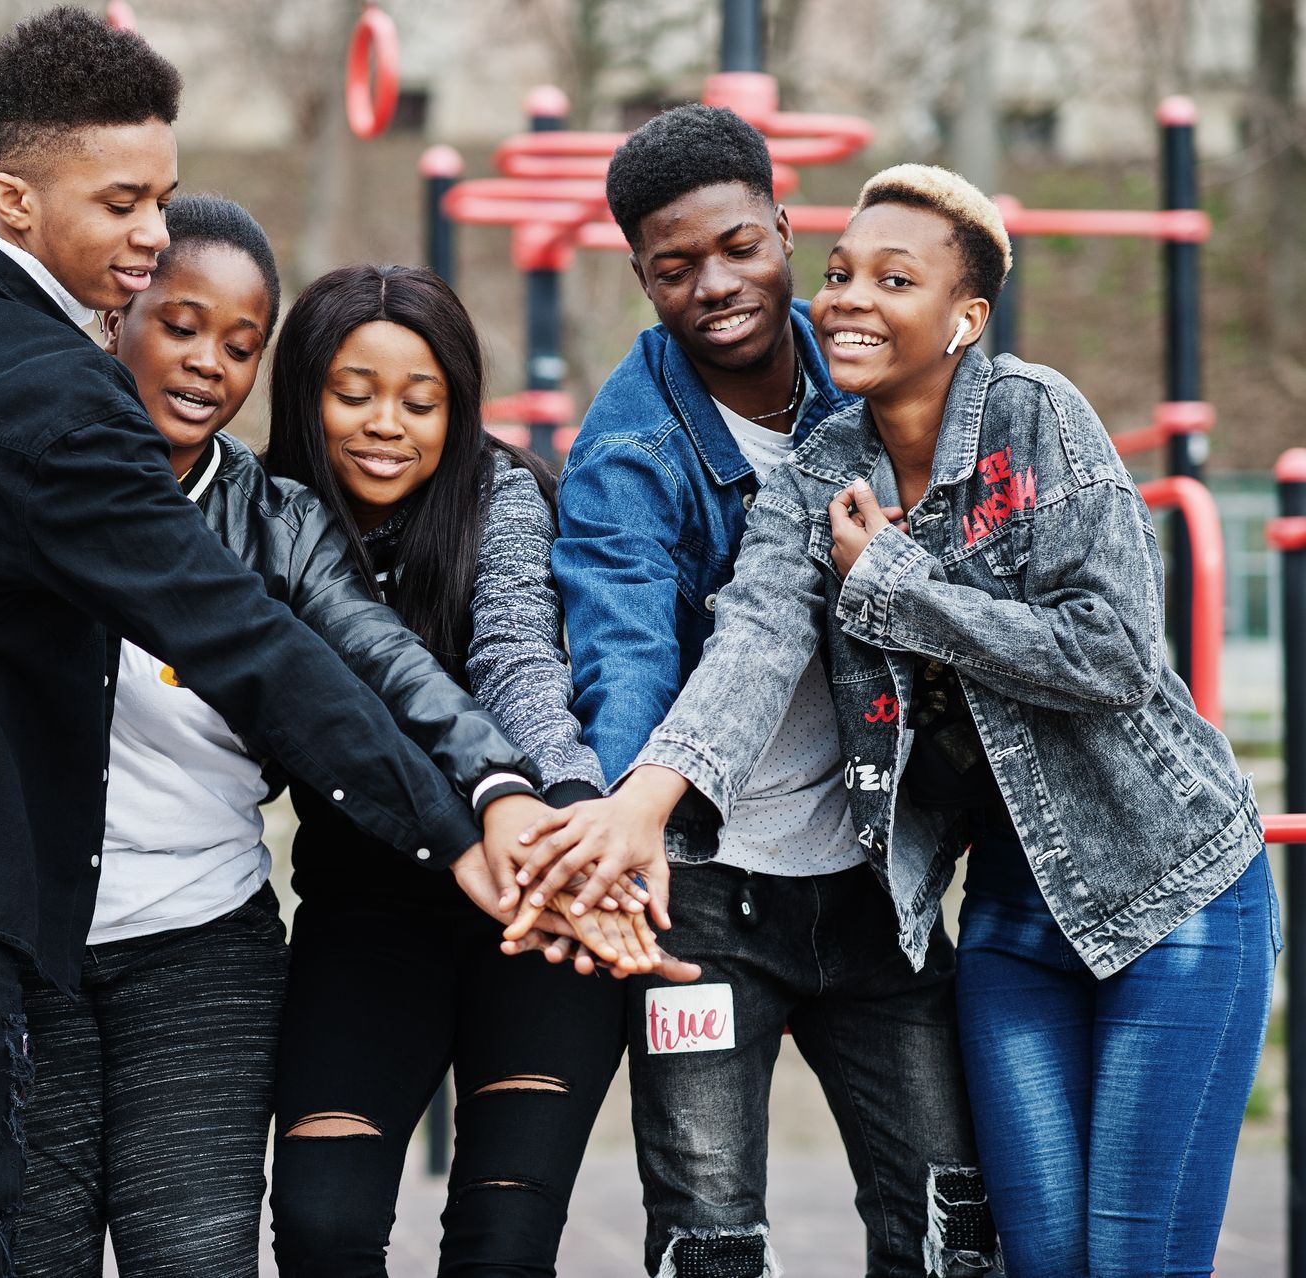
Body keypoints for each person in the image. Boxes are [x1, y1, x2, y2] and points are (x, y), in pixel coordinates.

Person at [0, 14, 558, 1275]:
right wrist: (450, 829)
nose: (154, 233)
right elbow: (240, 639)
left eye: (161, 195)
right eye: (122, 204)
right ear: (14, 195)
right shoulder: (66, 406)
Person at [519, 162, 1279, 1278]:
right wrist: (643, 799)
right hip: (1013, 916)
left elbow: (1113, 653)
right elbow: (756, 639)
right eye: (840, 274)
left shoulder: (1037, 417)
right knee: (1033, 1255)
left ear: (963, 316)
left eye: (893, 278)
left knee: (1126, 1257)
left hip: (1168, 883)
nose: (848, 300)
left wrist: (896, 582)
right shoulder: (820, 470)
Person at [509, 106, 999, 1278]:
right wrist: (635, 820)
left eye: (740, 247)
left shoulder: (874, 366)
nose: (716, 284)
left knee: (949, 1226)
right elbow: (624, 651)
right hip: (711, 897)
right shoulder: (629, 457)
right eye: (675, 269)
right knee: (710, 1240)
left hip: (878, 877)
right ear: (640, 276)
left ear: (785, 229)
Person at [261, 263, 695, 1278]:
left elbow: (517, 661)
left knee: (503, 1249)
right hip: (364, 914)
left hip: (541, 907)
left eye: (422, 401)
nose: (387, 425)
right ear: (302, 393)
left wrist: (575, 812)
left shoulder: (502, 495)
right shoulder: (264, 519)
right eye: (353, 393)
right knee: (322, 1232)